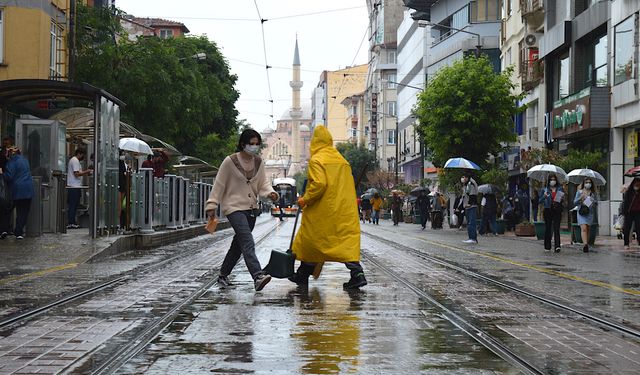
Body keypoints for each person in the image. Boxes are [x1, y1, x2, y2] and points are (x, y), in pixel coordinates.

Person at [289, 125, 367, 289]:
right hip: (344, 210)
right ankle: (357, 274)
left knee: (312, 241)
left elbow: (319, 184)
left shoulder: (317, 160)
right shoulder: (342, 160)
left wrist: (305, 199)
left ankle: (302, 274)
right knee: (344, 242)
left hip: (323, 211)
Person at [205, 129, 279, 292]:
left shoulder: (259, 162)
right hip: (233, 207)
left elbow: (263, 185)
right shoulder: (230, 161)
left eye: (256, 144)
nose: (253, 147)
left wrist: (271, 194)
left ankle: (223, 275)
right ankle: (257, 276)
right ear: (242, 144)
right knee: (247, 240)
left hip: (251, 208)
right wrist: (211, 205)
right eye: (250, 143)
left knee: (238, 245)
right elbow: (219, 185)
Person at [1, 147, 34, 239]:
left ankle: (4, 230)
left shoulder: (12, 162)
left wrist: (2, 174)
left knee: (7, 210)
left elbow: (9, 176)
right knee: (23, 212)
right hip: (28, 189)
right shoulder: (25, 161)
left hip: (16, 190)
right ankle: (18, 232)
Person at [67, 148, 92, 229]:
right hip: (74, 186)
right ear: (79, 154)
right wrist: (87, 171)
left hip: (74, 186)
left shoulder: (73, 160)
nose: (83, 157)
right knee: (73, 205)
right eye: (83, 155)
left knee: (73, 205)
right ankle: (71, 222)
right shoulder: (75, 161)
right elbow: (76, 174)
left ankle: (72, 221)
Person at [540, 174, 564, 252]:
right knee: (548, 228)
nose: (552, 181)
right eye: (551, 180)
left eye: (554, 179)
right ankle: (547, 246)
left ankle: (557, 246)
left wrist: (562, 198)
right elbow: (539, 201)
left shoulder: (559, 188)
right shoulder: (545, 189)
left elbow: (562, 199)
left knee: (556, 228)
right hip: (548, 209)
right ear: (548, 181)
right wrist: (544, 196)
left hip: (557, 209)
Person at [574, 178, 598, 253]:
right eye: (586, 182)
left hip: (589, 213)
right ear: (583, 183)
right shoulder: (579, 192)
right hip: (581, 212)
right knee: (583, 228)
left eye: (589, 182)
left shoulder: (593, 193)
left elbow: (596, 203)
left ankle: (586, 243)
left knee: (587, 228)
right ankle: (585, 245)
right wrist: (581, 198)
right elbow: (575, 202)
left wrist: (591, 200)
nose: (588, 184)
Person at [459, 173, 479, 244]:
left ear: (467, 177)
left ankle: (473, 238)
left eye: (463, 177)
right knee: (469, 223)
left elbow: (472, 195)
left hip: (471, 206)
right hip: (467, 206)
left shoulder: (471, 184)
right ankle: (471, 238)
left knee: (471, 222)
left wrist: (469, 203)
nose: (462, 179)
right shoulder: (467, 185)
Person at [622, 178, 640, 250]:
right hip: (629, 212)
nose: (637, 185)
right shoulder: (629, 192)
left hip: (638, 212)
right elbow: (625, 203)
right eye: (636, 183)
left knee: (639, 228)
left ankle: (639, 241)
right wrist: (624, 212)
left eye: (638, 184)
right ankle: (626, 243)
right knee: (627, 228)